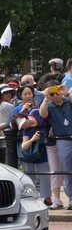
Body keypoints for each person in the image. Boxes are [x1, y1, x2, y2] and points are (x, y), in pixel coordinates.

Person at [39, 80, 72, 209]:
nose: (54, 96)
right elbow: (42, 114)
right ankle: (71, 199)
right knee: (67, 171)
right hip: (63, 140)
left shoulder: (68, 100)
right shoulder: (49, 105)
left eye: (56, 92)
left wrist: (66, 93)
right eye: (51, 93)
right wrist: (46, 99)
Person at [12, 109, 52, 205]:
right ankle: (33, 197)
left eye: (24, 122)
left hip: (43, 150)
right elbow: (23, 146)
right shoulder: (26, 131)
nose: (25, 125)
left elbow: (50, 118)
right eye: (22, 126)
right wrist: (32, 139)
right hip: (32, 153)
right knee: (30, 176)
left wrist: (52, 129)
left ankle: (47, 197)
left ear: (25, 117)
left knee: (45, 175)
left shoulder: (35, 113)